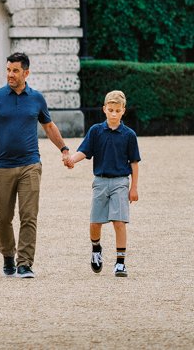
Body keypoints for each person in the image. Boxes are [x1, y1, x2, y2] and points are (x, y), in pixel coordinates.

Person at [0, 51, 71, 278]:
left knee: (29, 216)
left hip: (31, 165)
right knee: (3, 218)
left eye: (15, 70)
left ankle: (25, 263)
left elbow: (49, 126)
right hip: (3, 166)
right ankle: (8, 257)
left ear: (26, 72)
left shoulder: (37, 98)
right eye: (8, 70)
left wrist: (64, 149)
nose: (10, 74)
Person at [64, 89, 140, 278]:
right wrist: (72, 159)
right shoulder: (96, 131)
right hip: (100, 181)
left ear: (123, 110)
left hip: (121, 181)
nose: (114, 114)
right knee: (96, 221)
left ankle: (120, 263)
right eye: (110, 110)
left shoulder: (129, 135)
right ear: (104, 109)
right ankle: (96, 248)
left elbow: (134, 163)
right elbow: (85, 151)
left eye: (117, 110)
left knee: (119, 221)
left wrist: (134, 187)